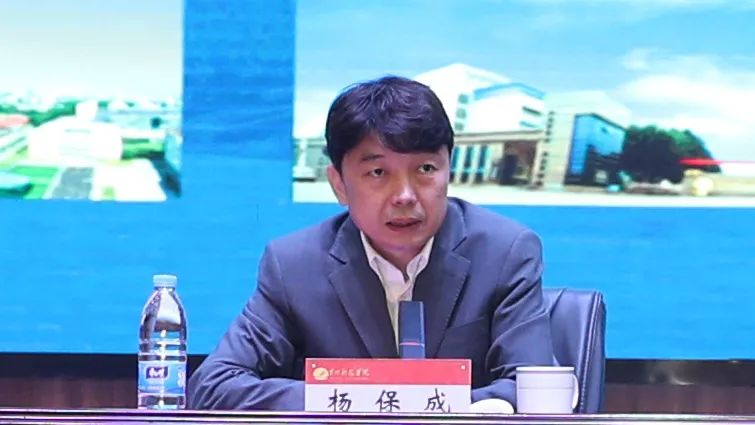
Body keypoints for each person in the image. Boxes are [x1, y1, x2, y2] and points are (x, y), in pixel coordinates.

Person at [188, 76, 555, 411]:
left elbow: (537, 391)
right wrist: (351, 401)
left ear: (449, 169)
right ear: (339, 184)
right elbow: (214, 386)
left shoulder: (506, 252)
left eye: (426, 169)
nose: (405, 195)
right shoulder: (293, 265)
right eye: (378, 172)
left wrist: (411, 408)